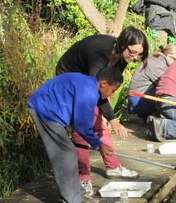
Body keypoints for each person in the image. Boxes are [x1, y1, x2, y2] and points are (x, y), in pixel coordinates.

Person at [55, 26, 149, 195]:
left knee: (99, 121)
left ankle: (113, 167)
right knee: (82, 127)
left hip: (90, 83)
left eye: (138, 54)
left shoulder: (123, 58)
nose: (134, 57)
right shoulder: (99, 52)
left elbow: (110, 87)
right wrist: (114, 120)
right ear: (122, 44)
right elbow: (97, 89)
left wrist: (107, 115)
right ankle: (82, 179)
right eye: (133, 52)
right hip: (68, 79)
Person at [28, 66, 123, 203]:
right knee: (65, 154)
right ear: (103, 83)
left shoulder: (88, 84)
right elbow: (82, 126)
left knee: (69, 152)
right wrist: (99, 144)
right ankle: (72, 199)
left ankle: (78, 193)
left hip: (50, 109)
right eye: (112, 90)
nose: (111, 95)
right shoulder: (88, 92)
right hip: (44, 110)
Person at [128, 44, 176, 122]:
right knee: (169, 92)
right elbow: (169, 85)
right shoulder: (157, 66)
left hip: (139, 97)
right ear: (168, 57)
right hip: (138, 101)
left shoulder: (155, 59)